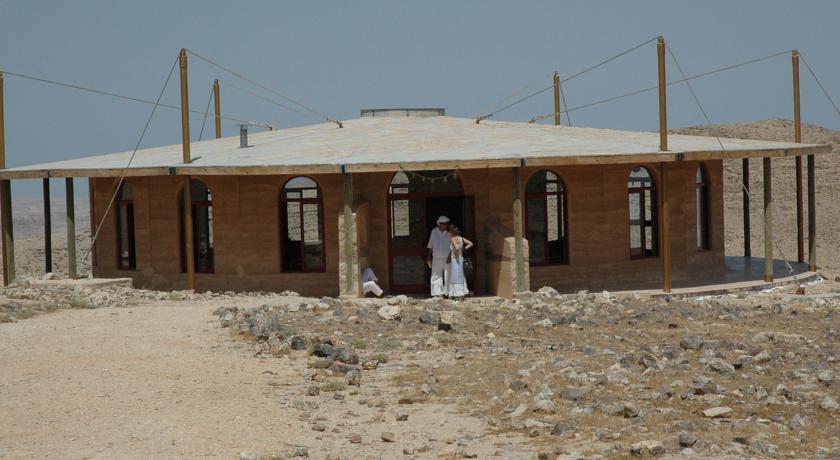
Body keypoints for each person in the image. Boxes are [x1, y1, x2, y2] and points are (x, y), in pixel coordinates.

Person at [446, 225, 473, 299]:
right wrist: (463, 249)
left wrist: (456, 253)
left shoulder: (453, 239)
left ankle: (458, 293)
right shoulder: (461, 238)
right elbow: (471, 243)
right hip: (460, 258)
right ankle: (460, 292)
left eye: (448, 232)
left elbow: (457, 248)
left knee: (456, 275)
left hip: (456, 259)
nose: (447, 234)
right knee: (460, 275)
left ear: (451, 232)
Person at [426, 216, 451, 297]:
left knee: (448, 274)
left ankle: (448, 292)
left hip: (448, 256)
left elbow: (453, 244)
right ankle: (437, 293)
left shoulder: (449, 232)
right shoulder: (434, 231)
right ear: (439, 224)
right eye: (443, 223)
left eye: (446, 224)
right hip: (436, 256)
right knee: (436, 274)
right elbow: (431, 243)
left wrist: (451, 255)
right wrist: (429, 255)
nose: (445, 225)